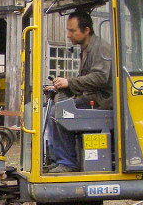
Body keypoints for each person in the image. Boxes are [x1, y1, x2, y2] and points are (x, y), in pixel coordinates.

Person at [44, 9, 113, 173]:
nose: (68, 35)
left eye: (72, 31)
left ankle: (67, 163)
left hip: (103, 102)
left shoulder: (100, 48)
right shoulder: (87, 48)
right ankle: (58, 159)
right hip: (93, 97)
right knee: (54, 110)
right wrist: (63, 86)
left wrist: (69, 82)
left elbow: (100, 78)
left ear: (86, 30)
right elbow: (86, 82)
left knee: (58, 114)